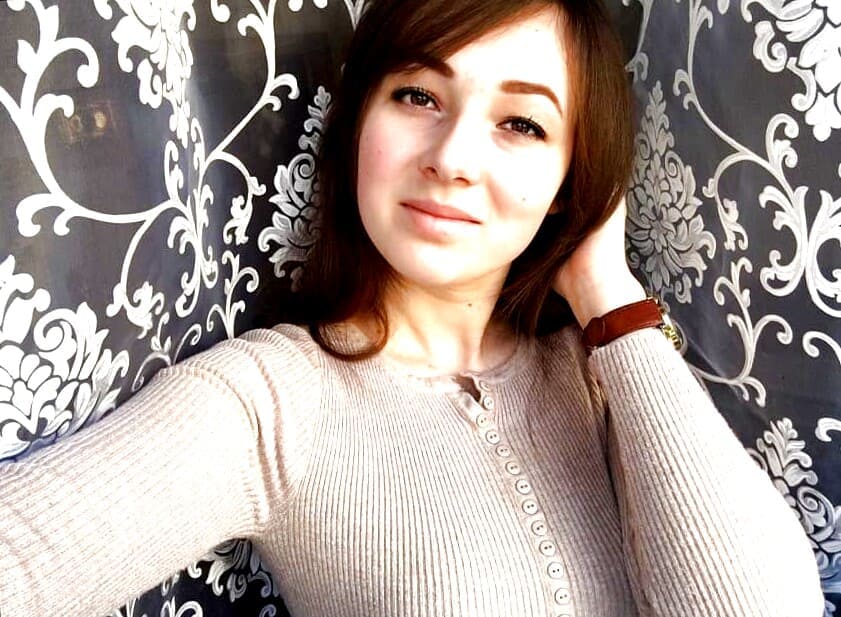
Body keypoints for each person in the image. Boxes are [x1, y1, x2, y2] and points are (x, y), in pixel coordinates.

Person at [0, 0, 824, 615]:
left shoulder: (608, 375)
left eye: (521, 124)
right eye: (418, 96)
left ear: (572, 178)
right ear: (359, 120)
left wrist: (608, 296)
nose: (453, 157)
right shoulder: (270, 400)